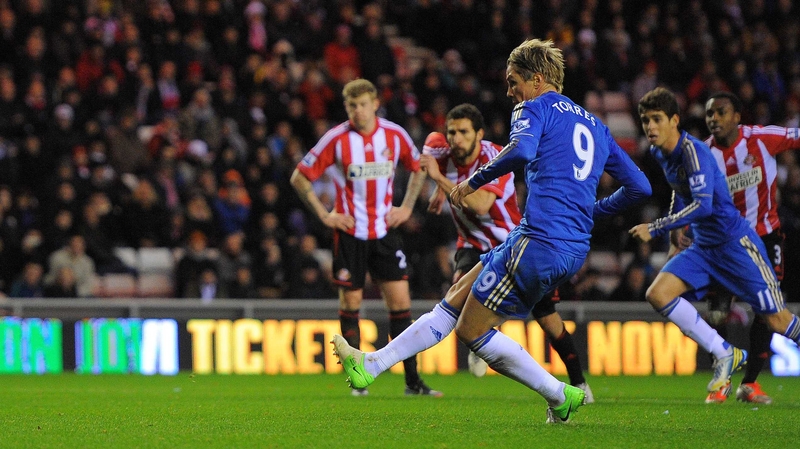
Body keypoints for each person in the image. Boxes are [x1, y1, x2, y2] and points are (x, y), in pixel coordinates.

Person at [332, 39, 651, 423]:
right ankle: (372, 364)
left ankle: (558, 394)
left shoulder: (532, 108)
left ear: (536, 79)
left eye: (513, 81)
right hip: (566, 245)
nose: (509, 90)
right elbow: (640, 187)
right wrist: (593, 212)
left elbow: (521, 151)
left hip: (538, 242)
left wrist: (473, 181)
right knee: (453, 299)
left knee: (472, 330)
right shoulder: (595, 124)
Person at [630, 87, 800, 400]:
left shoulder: (701, 151)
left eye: (656, 119)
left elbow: (704, 206)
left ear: (675, 120)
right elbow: (680, 191)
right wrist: (673, 238)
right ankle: (724, 353)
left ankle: (748, 381)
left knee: (776, 318)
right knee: (659, 294)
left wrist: (655, 227)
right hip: (704, 248)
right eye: (645, 120)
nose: (650, 127)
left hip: (740, 244)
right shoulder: (660, 152)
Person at [421, 103, 594, 402]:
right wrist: (439, 188)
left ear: (480, 134)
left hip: (510, 246)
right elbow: (435, 157)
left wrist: (438, 180)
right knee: (458, 296)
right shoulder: (446, 155)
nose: (456, 139)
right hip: (472, 245)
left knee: (548, 319)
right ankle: (478, 340)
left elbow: (480, 205)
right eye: (452, 132)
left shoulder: (496, 156)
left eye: (463, 132)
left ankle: (579, 382)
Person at [290, 78, 437, 397]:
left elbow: (419, 167)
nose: (357, 111)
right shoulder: (336, 139)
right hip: (350, 234)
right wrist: (325, 214)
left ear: (374, 104)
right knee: (352, 303)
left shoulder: (394, 135)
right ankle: (359, 381)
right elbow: (300, 177)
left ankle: (412, 382)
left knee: (401, 305)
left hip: (384, 232)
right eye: (351, 106)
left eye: (362, 104)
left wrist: (407, 207)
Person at [698, 91, 800, 404]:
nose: (714, 118)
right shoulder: (703, 153)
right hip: (724, 242)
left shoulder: (762, 139)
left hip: (766, 236)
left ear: (737, 117)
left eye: (721, 112)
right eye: (709, 113)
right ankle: (722, 380)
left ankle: (751, 383)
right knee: (718, 311)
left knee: (768, 310)